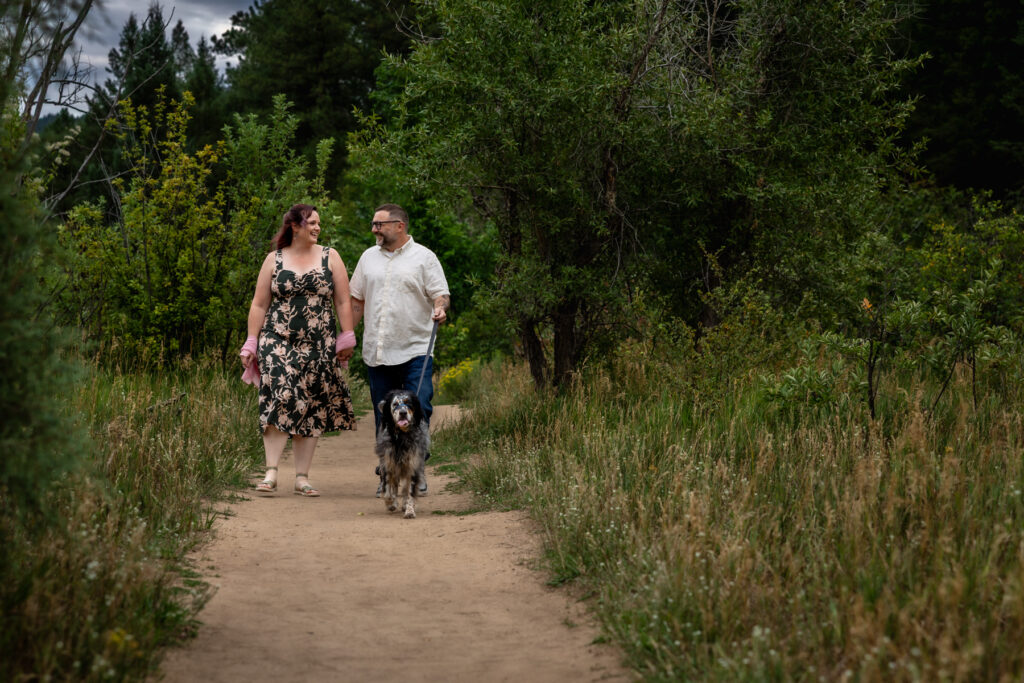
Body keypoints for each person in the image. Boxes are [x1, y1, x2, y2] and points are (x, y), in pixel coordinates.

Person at [239, 203, 357, 497]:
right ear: (295, 226)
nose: (318, 227)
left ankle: (302, 477)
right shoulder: (274, 259)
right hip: (277, 339)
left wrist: (347, 337)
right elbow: (259, 304)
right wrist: (251, 342)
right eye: (312, 222)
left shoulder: (331, 256)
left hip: (319, 343)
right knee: (280, 395)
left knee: (311, 403)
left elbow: (343, 301)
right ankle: (271, 472)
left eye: (319, 223)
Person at [349, 203, 450, 494]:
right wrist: (346, 337)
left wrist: (440, 308)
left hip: (416, 347)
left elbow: (441, 294)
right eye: (373, 224)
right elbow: (357, 300)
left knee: (420, 406)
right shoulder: (368, 258)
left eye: (379, 224)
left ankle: (417, 470)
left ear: (399, 226)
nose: (374, 229)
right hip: (378, 351)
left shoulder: (424, 257)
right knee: (385, 414)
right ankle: (387, 474)